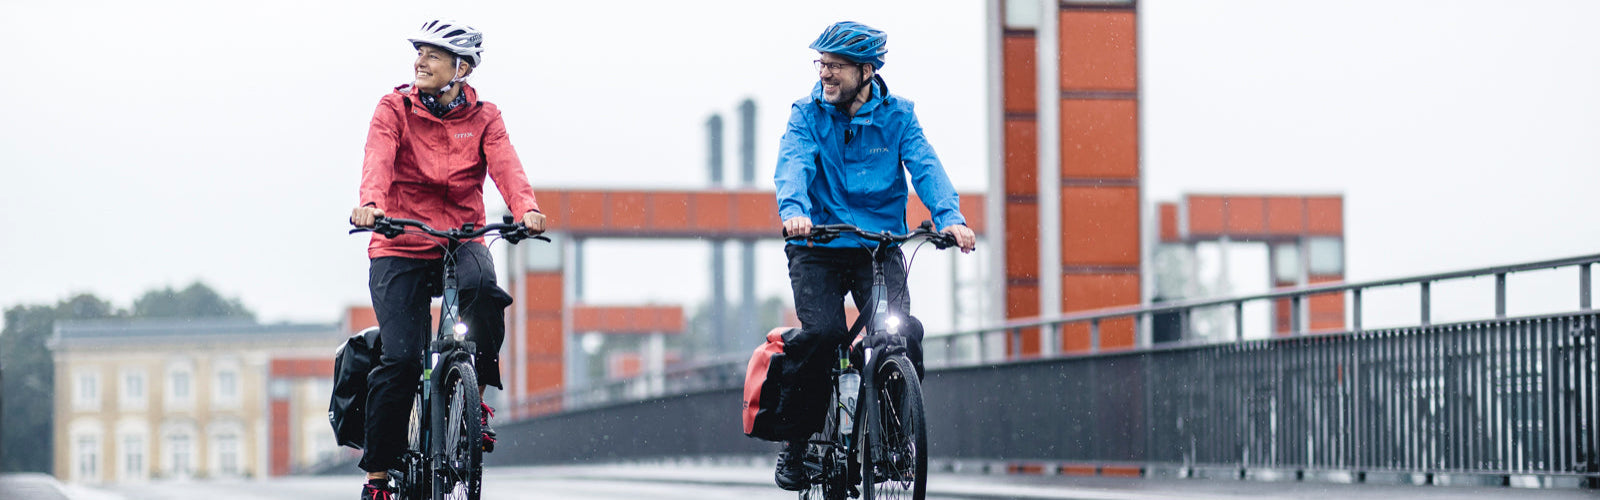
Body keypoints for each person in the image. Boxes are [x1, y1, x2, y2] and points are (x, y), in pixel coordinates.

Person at [771, 21, 977, 491]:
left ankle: (897, 438)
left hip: (878, 247)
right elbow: (794, 164)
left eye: (836, 66)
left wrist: (950, 217)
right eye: (821, 63)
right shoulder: (806, 114)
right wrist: (795, 211)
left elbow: (925, 165)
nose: (825, 73)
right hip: (817, 245)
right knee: (823, 334)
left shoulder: (898, 117)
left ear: (866, 71)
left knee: (900, 333)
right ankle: (797, 444)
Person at [347, 19, 545, 500]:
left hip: (460, 238)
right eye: (419, 52)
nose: (420, 62)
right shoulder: (394, 108)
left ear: (462, 67)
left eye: (433, 55)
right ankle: (378, 476)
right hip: (399, 240)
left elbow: (506, 166)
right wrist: (371, 205)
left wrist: (527, 209)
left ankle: (472, 400)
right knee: (400, 359)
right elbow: (378, 157)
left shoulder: (485, 117)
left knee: (487, 290)